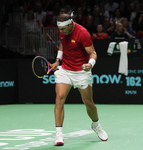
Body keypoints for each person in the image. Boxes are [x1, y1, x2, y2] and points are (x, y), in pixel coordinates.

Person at [51, 12, 108, 146]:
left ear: (70, 25)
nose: (61, 32)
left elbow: (93, 53)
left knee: (89, 103)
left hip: (81, 72)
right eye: (60, 29)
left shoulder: (82, 33)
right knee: (59, 98)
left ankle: (96, 125)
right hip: (65, 70)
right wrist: (58, 60)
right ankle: (59, 134)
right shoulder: (63, 30)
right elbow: (62, 44)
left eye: (63, 29)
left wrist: (90, 64)